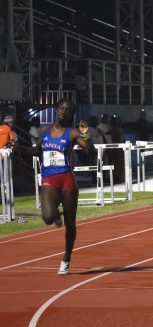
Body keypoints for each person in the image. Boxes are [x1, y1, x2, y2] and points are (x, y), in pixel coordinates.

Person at [12, 99, 94, 274]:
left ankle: (66, 258)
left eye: (68, 110)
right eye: (62, 108)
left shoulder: (72, 133)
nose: (64, 112)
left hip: (67, 181)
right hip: (49, 179)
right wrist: (19, 148)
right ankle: (56, 214)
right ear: (57, 110)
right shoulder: (45, 130)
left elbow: (89, 151)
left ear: (72, 115)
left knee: (70, 225)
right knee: (48, 217)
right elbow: (37, 151)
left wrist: (86, 134)